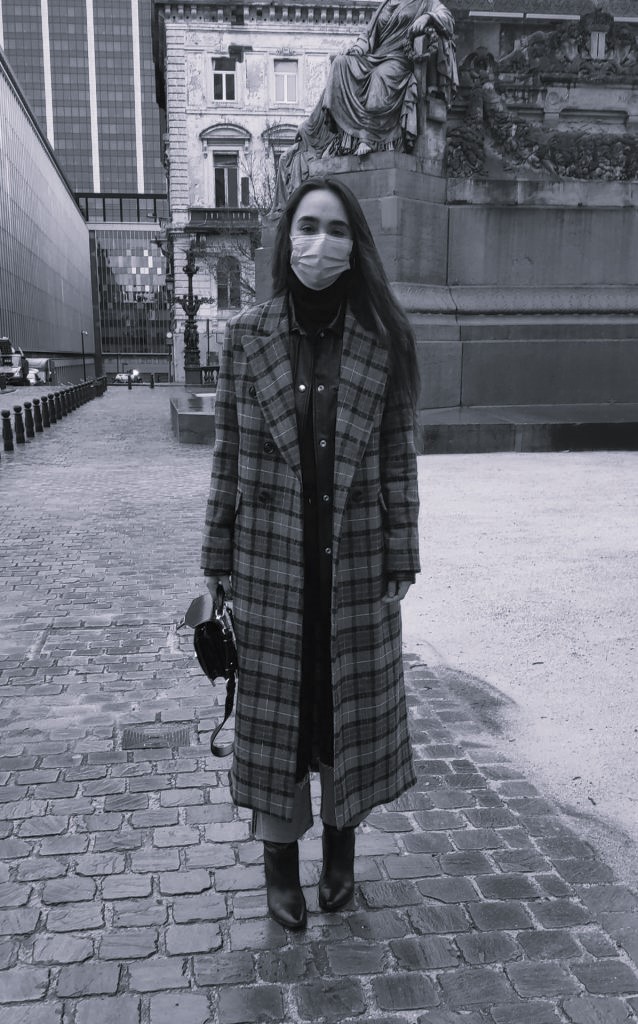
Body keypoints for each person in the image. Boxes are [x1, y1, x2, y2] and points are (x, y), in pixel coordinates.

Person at [201, 177, 421, 929]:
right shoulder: (248, 335)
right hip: (269, 556)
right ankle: (278, 864)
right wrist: (215, 558)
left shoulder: (382, 338)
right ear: (285, 237)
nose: (318, 242)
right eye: (306, 226)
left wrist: (402, 550)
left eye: (334, 228)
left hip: (352, 558)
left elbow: (398, 454)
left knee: (341, 711)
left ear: (354, 244)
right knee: (278, 716)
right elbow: (227, 456)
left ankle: (340, 856)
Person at [272, 0, 456, 210]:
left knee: (379, 78)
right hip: (373, 57)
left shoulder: (426, 2)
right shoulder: (386, 4)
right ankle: (330, 135)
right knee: (340, 63)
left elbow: (446, 17)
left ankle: (368, 138)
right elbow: (368, 36)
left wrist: (428, 17)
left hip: (398, 61)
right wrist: (358, 48)